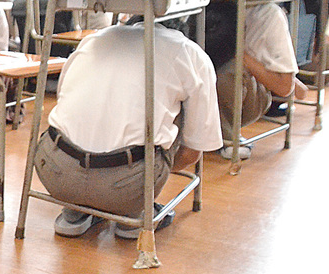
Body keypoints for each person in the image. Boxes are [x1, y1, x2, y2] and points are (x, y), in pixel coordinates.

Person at [34, 20, 222, 238]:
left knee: (83, 109)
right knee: (177, 111)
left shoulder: (92, 40)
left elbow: (63, 99)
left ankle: (76, 209)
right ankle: (133, 212)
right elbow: (192, 152)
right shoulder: (189, 52)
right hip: (126, 185)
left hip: (55, 175)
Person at [204, 0, 309, 160]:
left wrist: (240, 55)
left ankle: (228, 138)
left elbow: (284, 87)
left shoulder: (267, 14)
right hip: (201, 92)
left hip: (246, 95)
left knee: (231, 69)